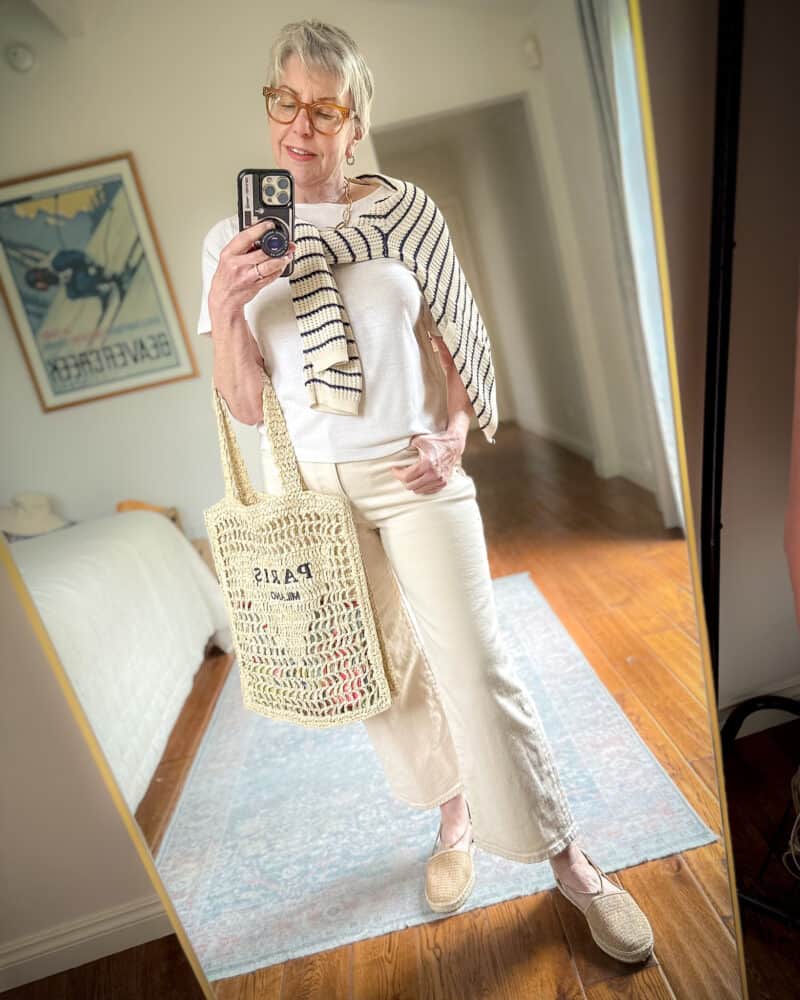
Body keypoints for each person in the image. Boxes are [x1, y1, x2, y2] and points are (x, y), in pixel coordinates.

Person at [197, 18, 654, 964]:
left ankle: (567, 857)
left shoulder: (408, 213)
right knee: (384, 679)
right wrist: (222, 310)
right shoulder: (229, 241)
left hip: (415, 474)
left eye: (326, 108)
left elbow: (455, 338)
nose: (302, 125)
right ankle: (453, 823)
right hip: (313, 494)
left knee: (476, 668)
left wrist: (454, 436)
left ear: (355, 120)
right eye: (287, 101)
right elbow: (246, 406)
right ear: (271, 109)